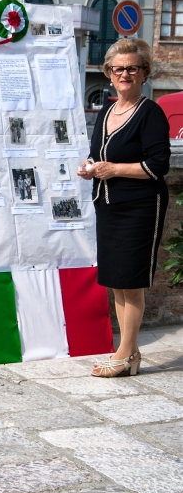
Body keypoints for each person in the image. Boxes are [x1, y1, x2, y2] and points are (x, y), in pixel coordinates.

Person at [77, 38, 170, 378]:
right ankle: (129, 351)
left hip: (141, 207)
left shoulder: (151, 113)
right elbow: (98, 153)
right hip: (109, 204)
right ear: (109, 73)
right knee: (117, 280)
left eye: (132, 68)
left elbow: (158, 164)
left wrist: (114, 169)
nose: (125, 74)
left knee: (132, 281)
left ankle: (125, 352)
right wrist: (90, 166)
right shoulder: (106, 110)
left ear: (144, 72)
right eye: (119, 69)